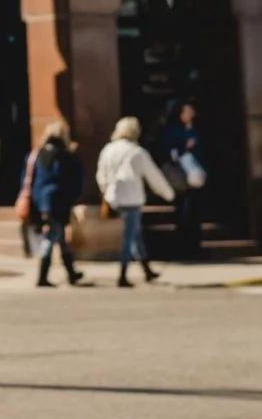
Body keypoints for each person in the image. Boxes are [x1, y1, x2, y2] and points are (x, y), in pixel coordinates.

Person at [95, 116, 174, 287]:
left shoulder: (108, 150)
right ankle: (123, 273)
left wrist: (105, 191)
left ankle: (146, 269)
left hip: (114, 196)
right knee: (130, 235)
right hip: (131, 198)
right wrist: (168, 194)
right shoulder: (137, 152)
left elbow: (101, 174)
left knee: (135, 233)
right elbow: (154, 176)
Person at [26, 121, 86, 287]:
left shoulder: (38, 155)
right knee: (51, 236)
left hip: (41, 202)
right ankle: (42, 276)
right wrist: (74, 197)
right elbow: (75, 181)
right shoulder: (65, 156)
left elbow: (31, 179)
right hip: (59, 201)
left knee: (59, 237)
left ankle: (71, 272)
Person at [160, 99, 205, 261]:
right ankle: (184, 246)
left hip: (195, 175)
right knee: (183, 211)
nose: (190, 114)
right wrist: (184, 148)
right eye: (186, 111)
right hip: (181, 178)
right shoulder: (174, 131)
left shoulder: (195, 130)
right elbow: (170, 153)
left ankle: (194, 244)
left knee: (194, 211)